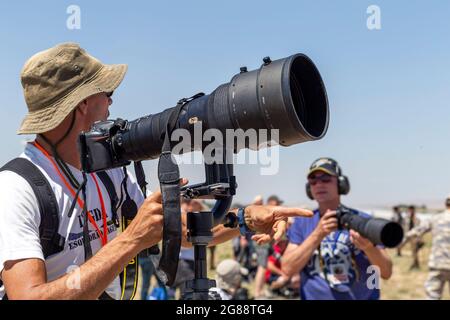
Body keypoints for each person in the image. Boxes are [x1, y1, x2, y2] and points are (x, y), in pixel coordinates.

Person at [0, 43, 313, 300]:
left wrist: (243, 221)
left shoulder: (109, 172)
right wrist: (130, 241)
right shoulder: (18, 187)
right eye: (106, 92)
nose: (111, 102)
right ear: (81, 104)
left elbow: (183, 234)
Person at [282, 157, 393, 300]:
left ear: (341, 184)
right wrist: (317, 235)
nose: (319, 184)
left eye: (326, 179)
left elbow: (386, 272)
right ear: (309, 188)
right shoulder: (302, 222)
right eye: (313, 181)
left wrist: (369, 248)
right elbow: (287, 269)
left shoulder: (363, 221)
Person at [404, 195, 450, 299]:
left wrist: (401, 237)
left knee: (432, 296)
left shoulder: (436, 218)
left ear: (445, 204)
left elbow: (416, 231)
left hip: (438, 264)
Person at [253, 195, 284, 298]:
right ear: (272, 202)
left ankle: (260, 291)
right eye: (277, 203)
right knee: (262, 267)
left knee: (264, 266)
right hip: (262, 242)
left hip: (264, 242)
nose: (279, 205)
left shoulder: (268, 211)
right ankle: (257, 293)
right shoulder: (265, 211)